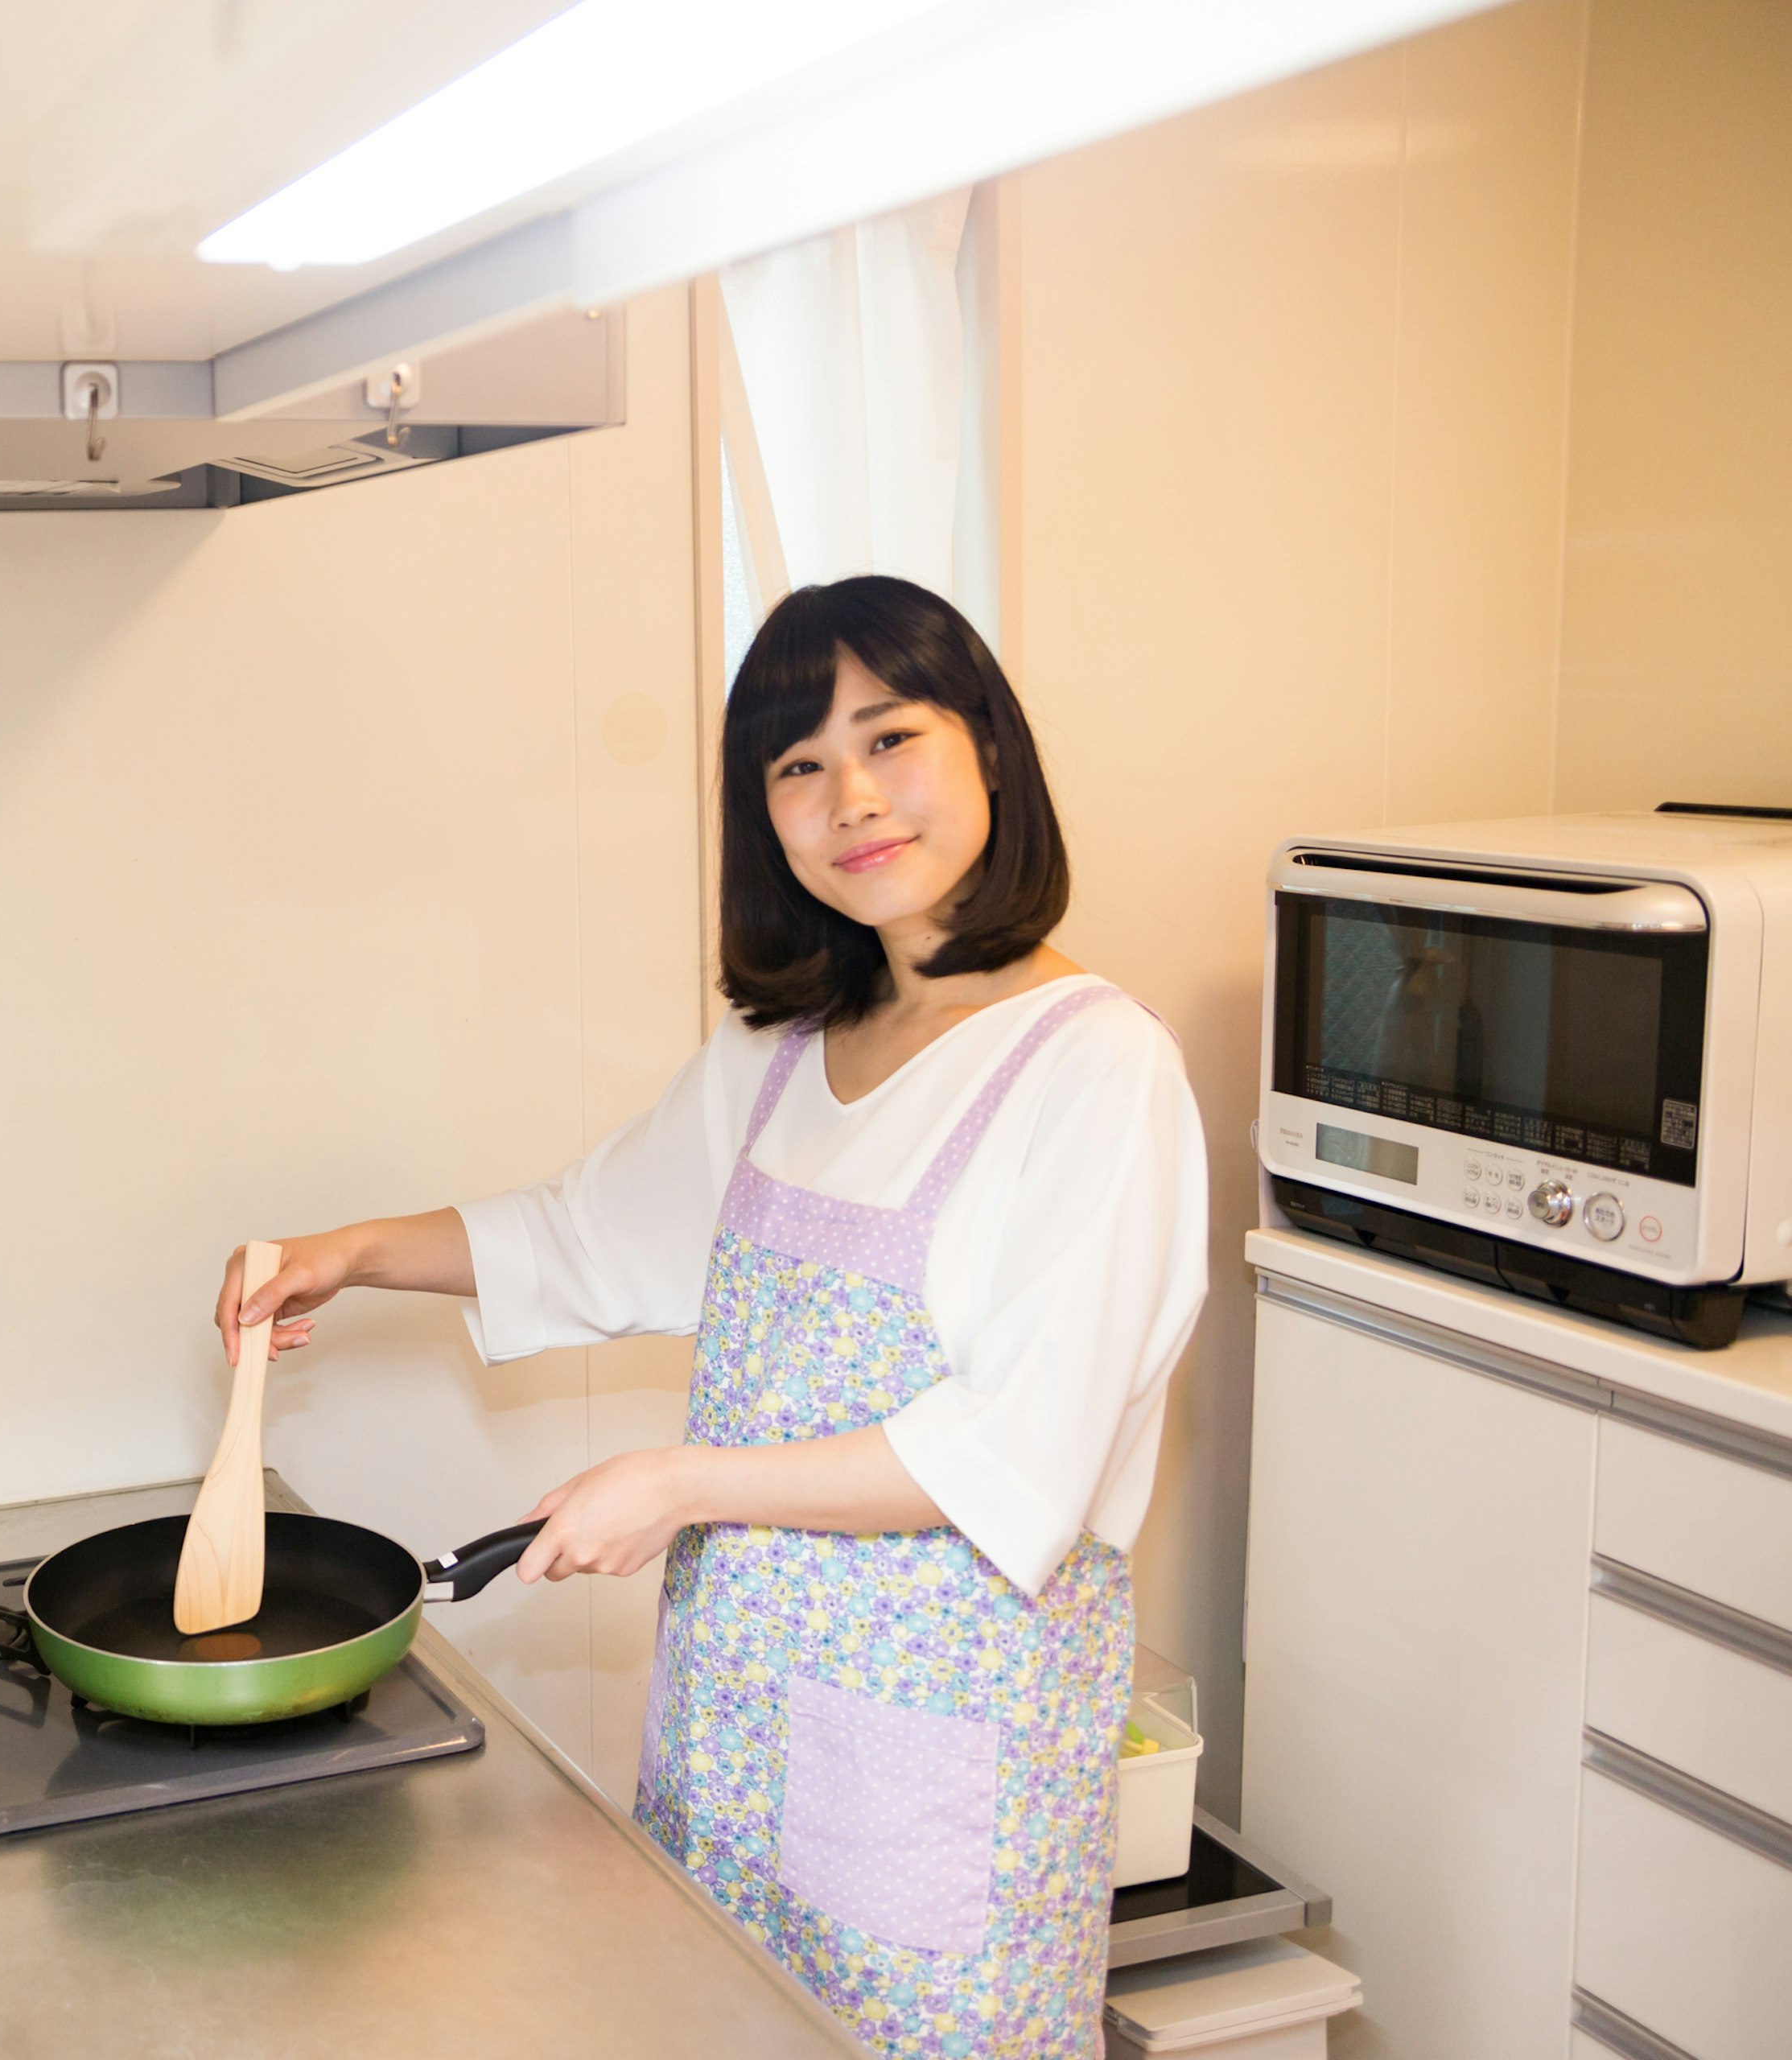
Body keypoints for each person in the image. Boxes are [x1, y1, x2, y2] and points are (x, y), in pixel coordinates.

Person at [215, 575, 1206, 2056]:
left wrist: (681, 1485)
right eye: (798, 766)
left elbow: (1009, 1455)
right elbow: (580, 1233)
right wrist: (343, 1253)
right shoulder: (785, 1051)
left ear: (988, 749)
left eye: (891, 738)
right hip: (738, 1735)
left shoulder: (1096, 1071)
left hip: (943, 1783)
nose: (851, 798)